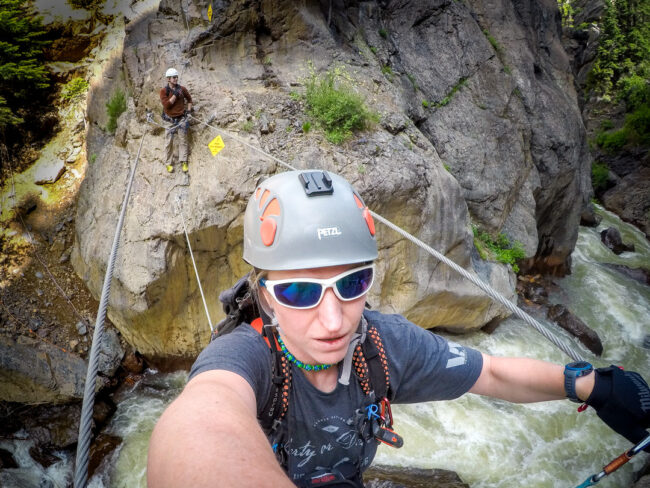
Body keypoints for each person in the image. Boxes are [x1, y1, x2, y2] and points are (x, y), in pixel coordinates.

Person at [147, 170, 649, 487]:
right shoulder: (246, 356)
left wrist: (590, 385)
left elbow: (490, 374)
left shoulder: (381, 345)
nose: (333, 319)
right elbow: (196, 428)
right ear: (263, 293)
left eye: (353, 283)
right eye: (299, 291)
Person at [159, 67, 193, 173]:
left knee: (183, 140)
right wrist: (175, 95)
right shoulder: (163, 91)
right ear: (168, 79)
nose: (176, 79)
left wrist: (188, 111)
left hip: (181, 118)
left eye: (176, 77)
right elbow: (167, 105)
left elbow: (189, 100)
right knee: (168, 142)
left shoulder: (182, 89)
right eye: (173, 77)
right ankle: (168, 163)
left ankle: (184, 162)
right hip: (169, 120)